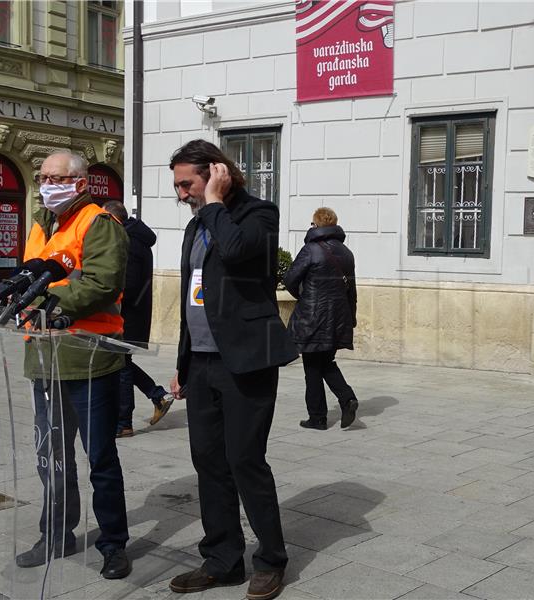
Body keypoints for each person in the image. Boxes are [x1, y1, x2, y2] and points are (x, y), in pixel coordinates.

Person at [167, 139, 298, 600]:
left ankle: (271, 560)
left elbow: (241, 251)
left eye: (188, 183)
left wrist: (217, 204)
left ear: (217, 173)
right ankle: (222, 560)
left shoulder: (258, 214)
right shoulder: (195, 226)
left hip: (247, 361)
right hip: (202, 363)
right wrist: (183, 364)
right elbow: (190, 298)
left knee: (245, 461)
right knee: (209, 463)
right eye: (178, 186)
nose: (182, 193)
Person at [18, 151, 131, 578]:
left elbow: (103, 283)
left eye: (56, 177)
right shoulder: (41, 223)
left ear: (80, 183)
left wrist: (44, 301)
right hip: (43, 356)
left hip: (88, 358)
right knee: (51, 456)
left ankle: (113, 544)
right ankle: (56, 534)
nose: (47, 183)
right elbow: (33, 274)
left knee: (99, 456)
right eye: (43, 176)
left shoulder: (99, 223)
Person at [102, 200, 173, 438]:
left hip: (126, 315)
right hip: (133, 314)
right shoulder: (136, 238)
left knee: (121, 366)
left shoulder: (128, 242)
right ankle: (157, 395)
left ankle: (123, 423)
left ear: (114, 220)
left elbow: (128, 285)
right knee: (123, 363)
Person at [283, 207, 358, 430]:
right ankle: (347, 398)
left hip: (312, 317)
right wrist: (351, 317)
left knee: (312, 368)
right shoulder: (346, 252)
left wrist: (303, 297)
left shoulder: (311, 250)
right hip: (338, 317)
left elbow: (290, 279)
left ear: (316, 225)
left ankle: (318, 417)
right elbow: (351, 290)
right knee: (325, 362)